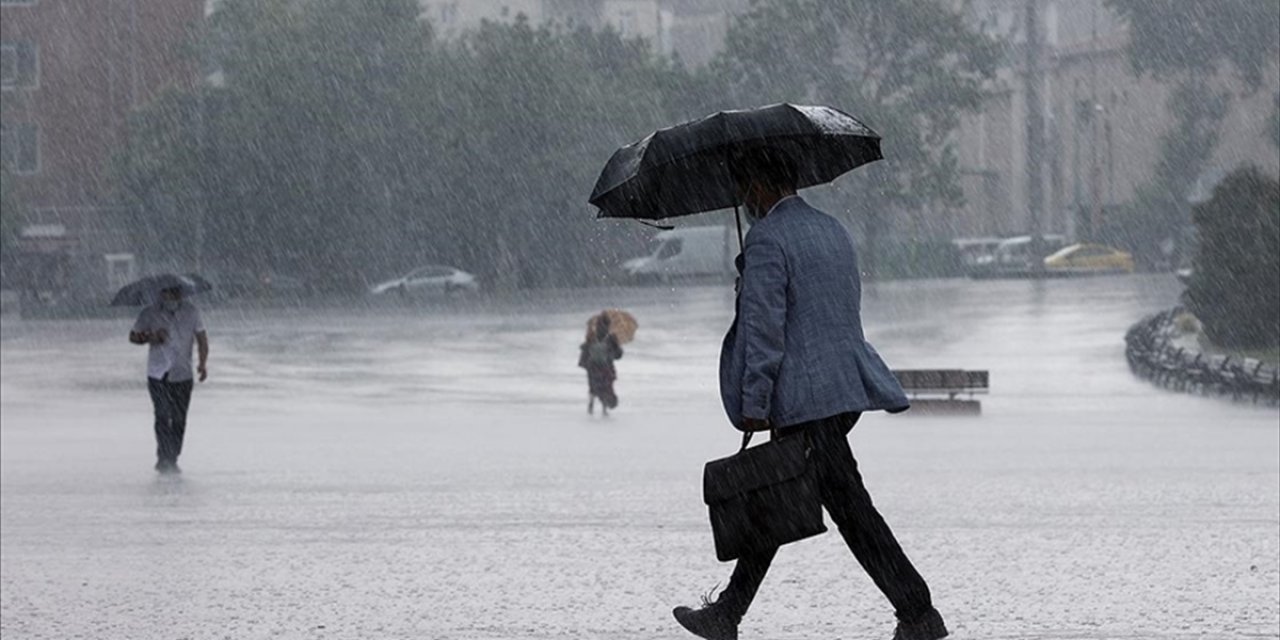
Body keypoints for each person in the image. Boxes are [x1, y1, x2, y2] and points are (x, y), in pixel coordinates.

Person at [672, 147, 946, 640]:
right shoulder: (833, 230)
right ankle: (727, 613)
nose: (742, 197)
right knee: (779, 494)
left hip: (804, 400)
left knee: (849, 510)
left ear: (759, 185)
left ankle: (919, 613)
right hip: (843, 391)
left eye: (744, 187)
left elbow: (764, 333)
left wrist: (754, 404)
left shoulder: (767, 240)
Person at [129, 286, 208, 474]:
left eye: (175, 293)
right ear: (161, 294)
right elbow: (133, 336)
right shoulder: (149, 313)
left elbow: (202, 338)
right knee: (163, 414)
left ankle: (172, 456)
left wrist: (202, 363)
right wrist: (151, 336)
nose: (171, 297)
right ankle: (164, 457)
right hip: (158, 373)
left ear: (181, 294)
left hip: (183, 373)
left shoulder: (192, 312)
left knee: (179, 418)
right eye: (167, 293)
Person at [578, 312, 623, 416]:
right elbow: (618, 355)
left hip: (593, 367)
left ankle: (591, 405)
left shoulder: (591, 336)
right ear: (608, 325)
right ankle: (604, 408)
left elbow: (585, 351)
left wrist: (585, 364)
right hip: (606, 367)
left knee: (593, 387)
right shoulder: (611, 338)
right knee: (606, 387)